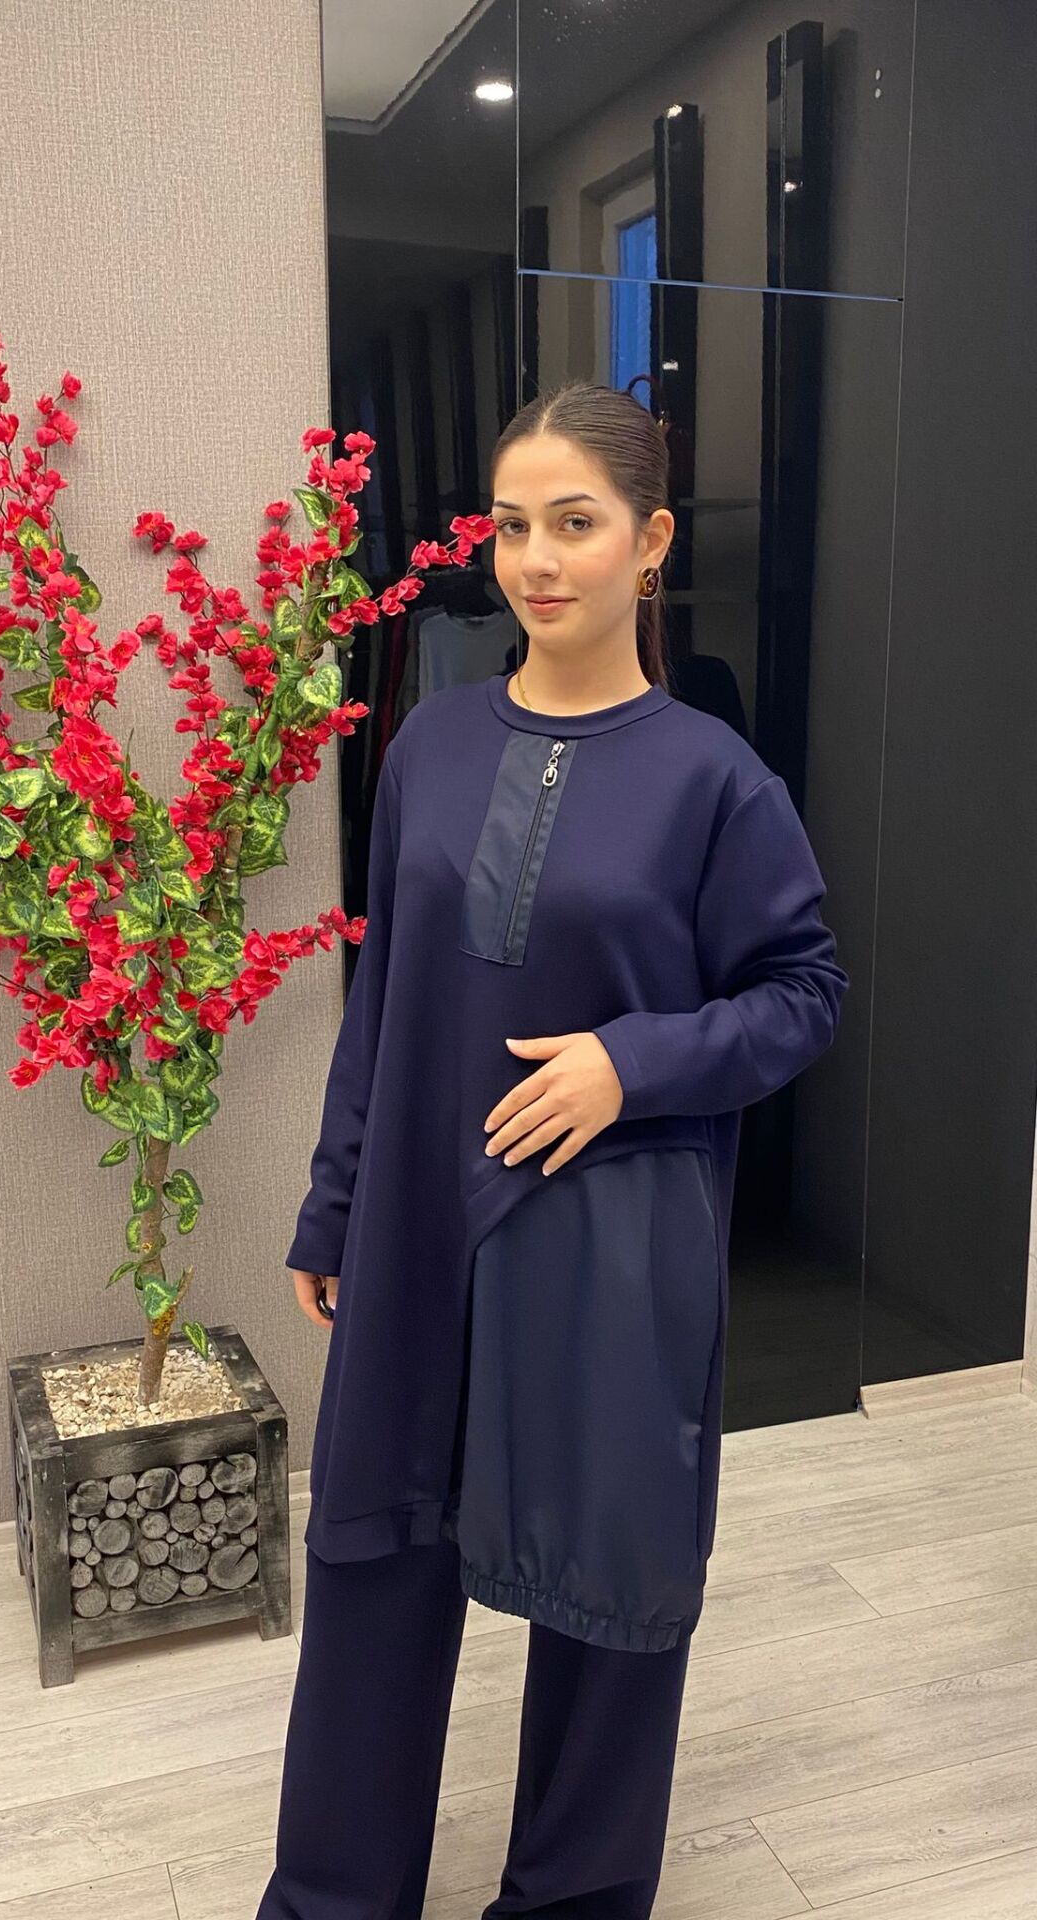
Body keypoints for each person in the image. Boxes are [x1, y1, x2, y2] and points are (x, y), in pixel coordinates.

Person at [258, 381, 850, 1919]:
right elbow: (385, 992)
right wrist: (333, 1200)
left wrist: (630, 1062)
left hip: (608, 1239)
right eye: (513, 525)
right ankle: (331, 1898)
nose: (535, 558)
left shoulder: (713, 780)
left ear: (650, 542)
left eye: (574, 523)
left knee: (606, 1588)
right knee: (375, 1556)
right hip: (416, 1226)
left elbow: (802, 995)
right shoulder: (432, 747)